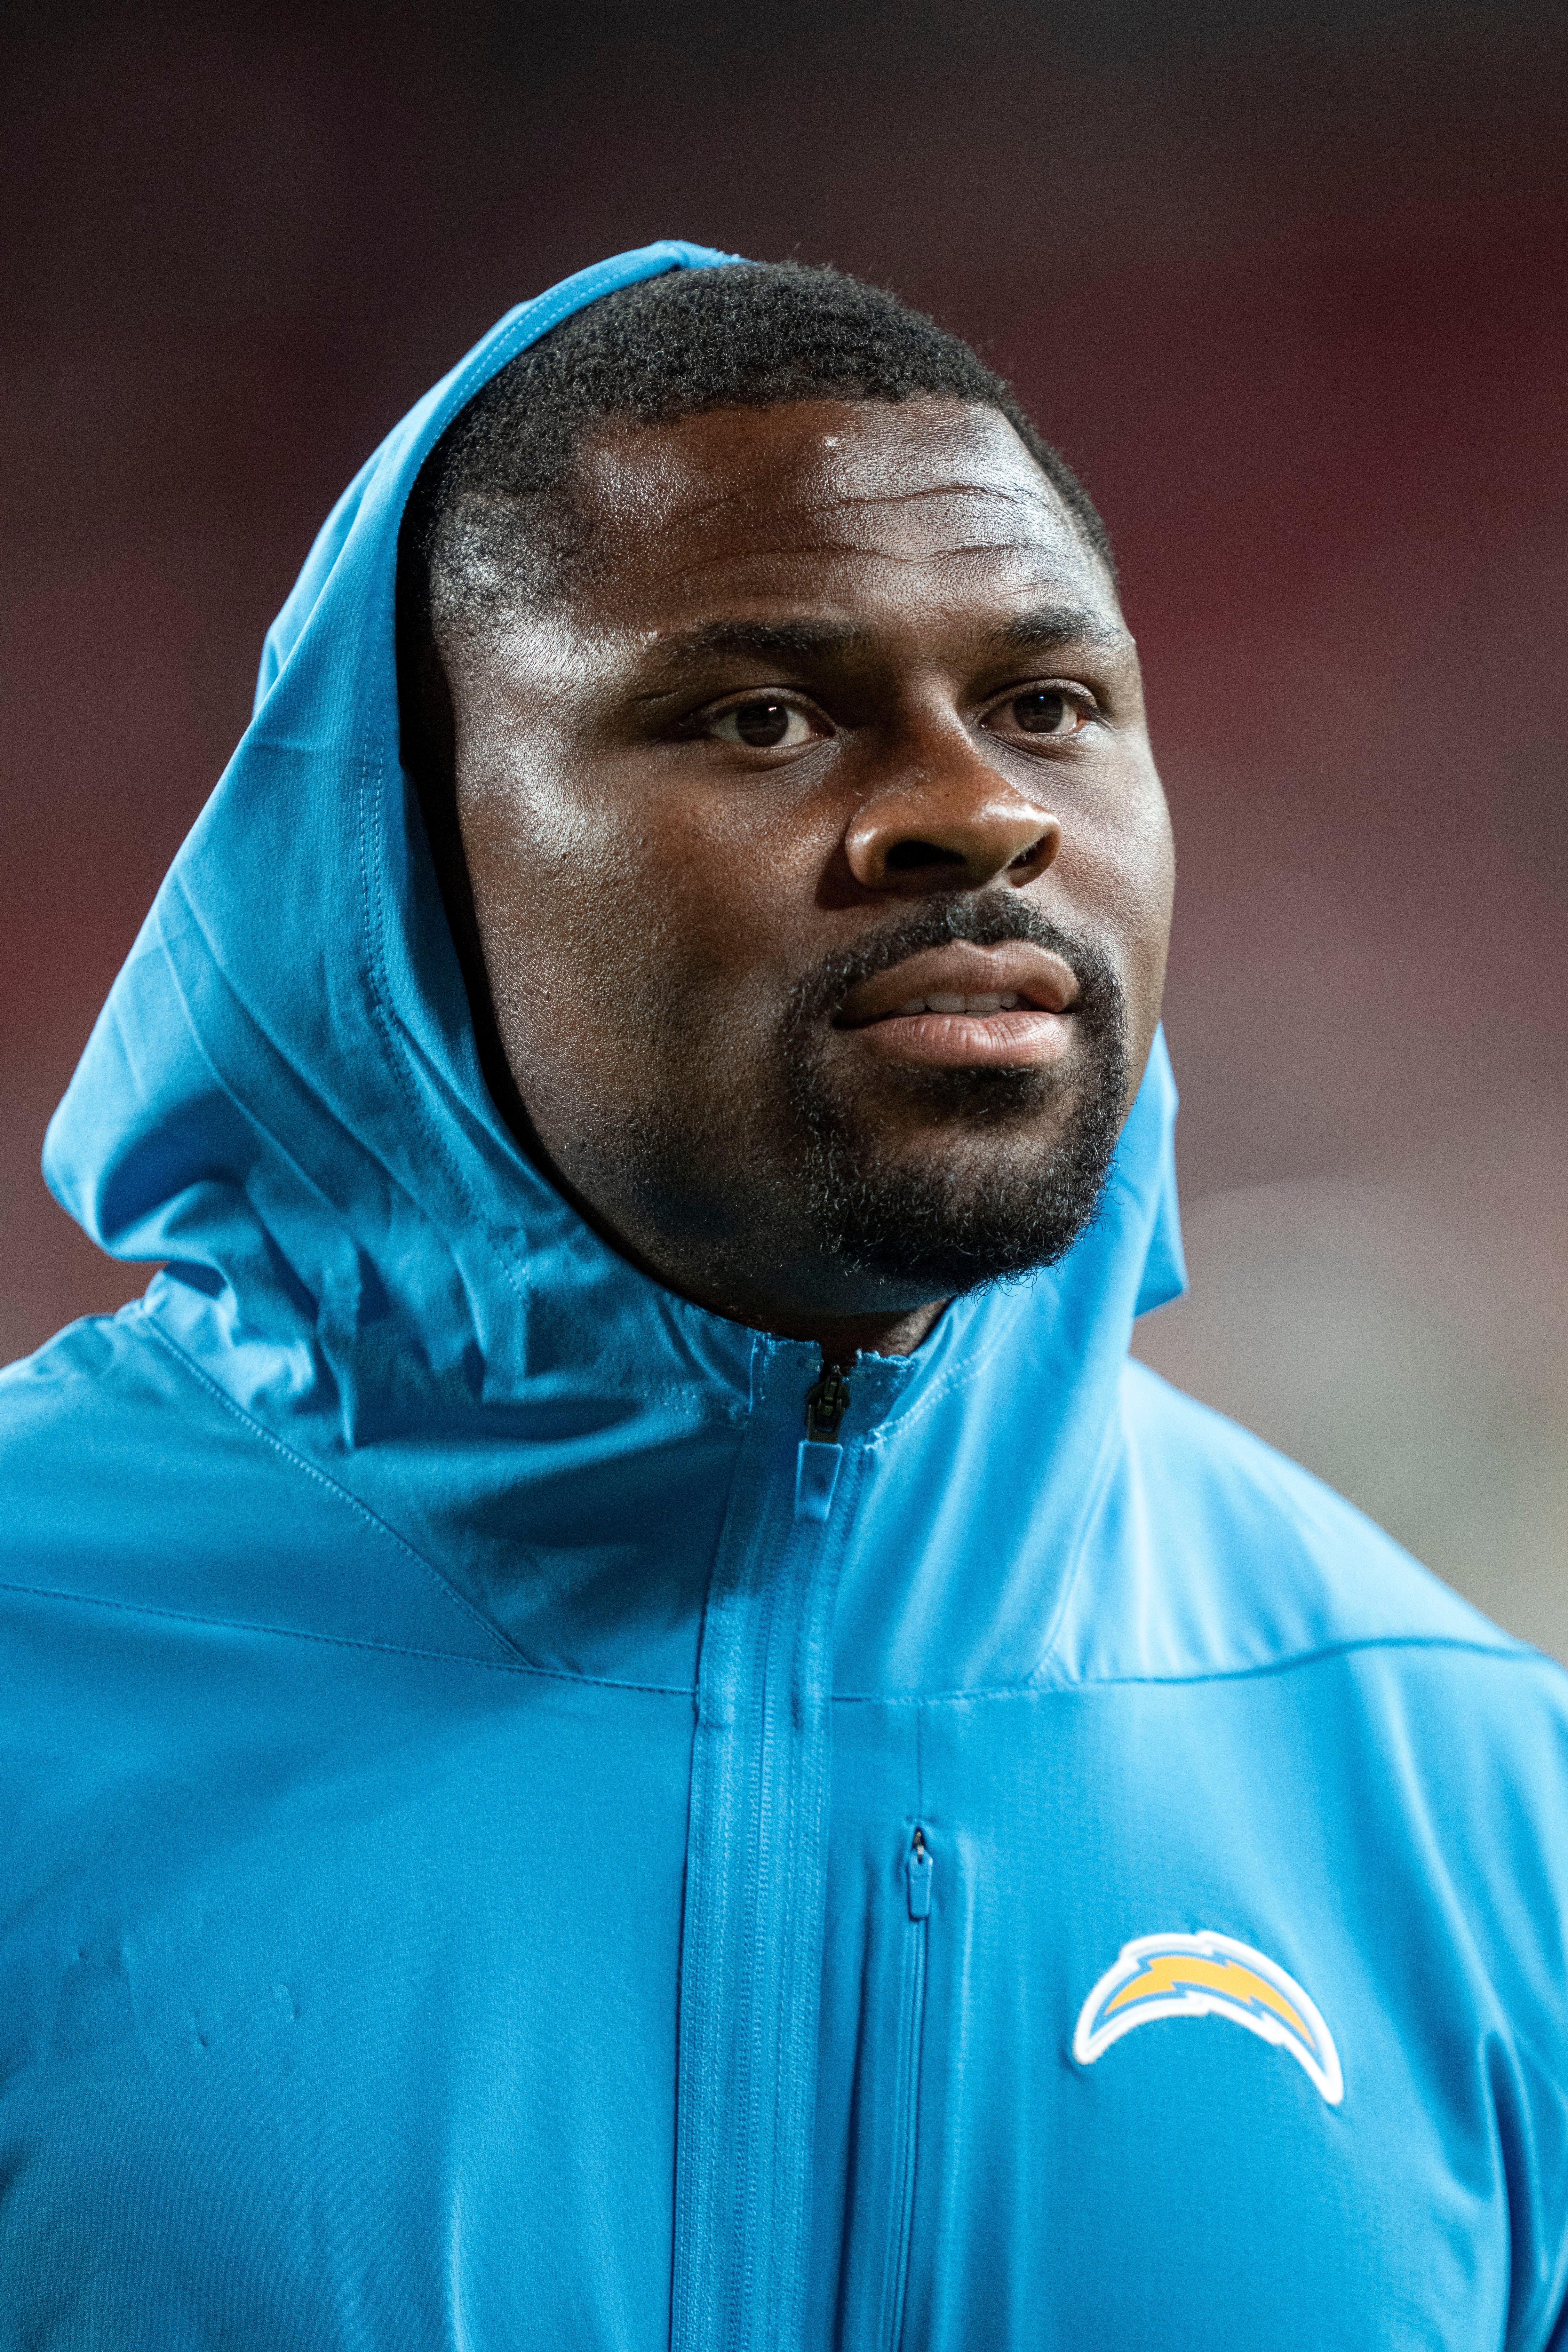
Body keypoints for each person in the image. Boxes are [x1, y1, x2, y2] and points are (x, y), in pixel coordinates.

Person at [1, 240, 1564, 2351]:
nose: (974, 812)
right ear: (398, 867)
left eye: (1047, 704)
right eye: (760, 714)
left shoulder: (1469, 1785)